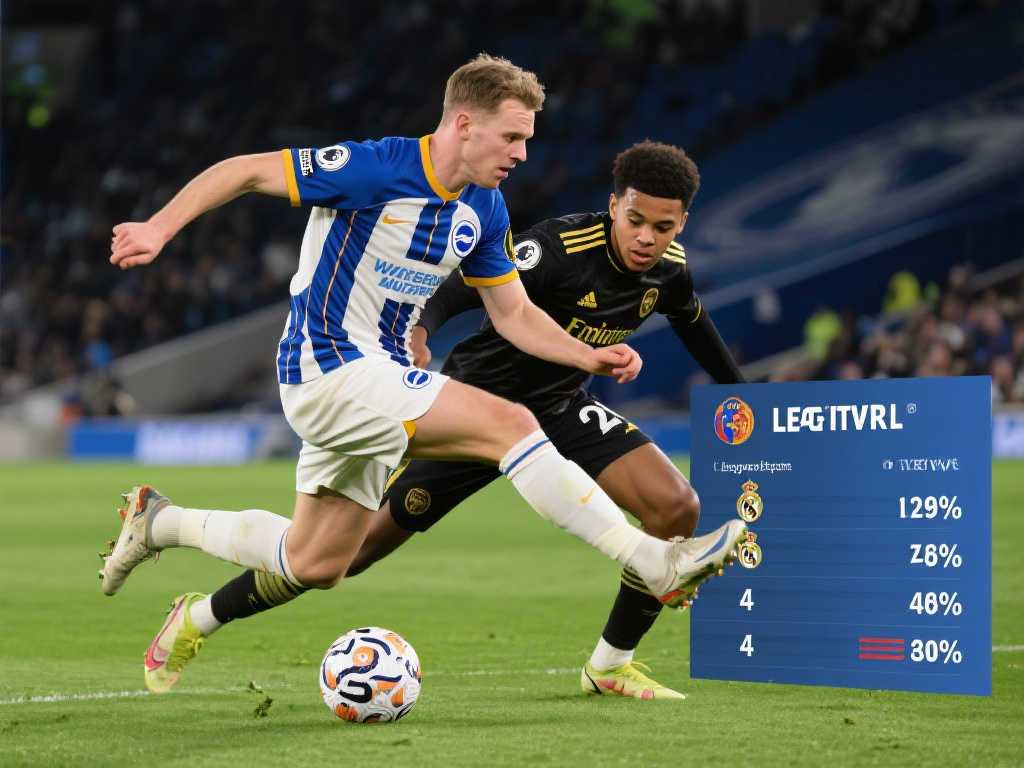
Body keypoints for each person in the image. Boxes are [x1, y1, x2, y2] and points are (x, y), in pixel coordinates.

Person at [100, 56, 747, 694]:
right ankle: (652, 560)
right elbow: (245, 170)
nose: (522, 153)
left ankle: (161, 525)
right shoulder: (376, 168)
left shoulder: (486, 209)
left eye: (526, 139)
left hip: (375, 380)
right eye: (512, 136)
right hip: (325, 365)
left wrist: (587, 356)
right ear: (464, 124)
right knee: (511, 422)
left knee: (318, 562)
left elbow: (514, 312)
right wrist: (159, 227)